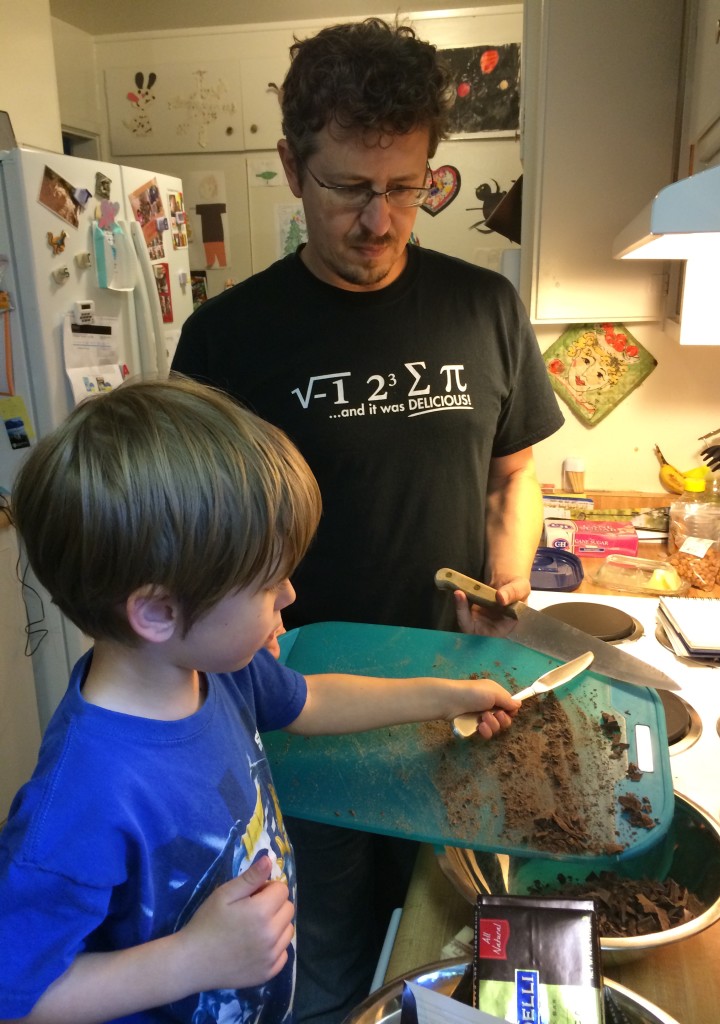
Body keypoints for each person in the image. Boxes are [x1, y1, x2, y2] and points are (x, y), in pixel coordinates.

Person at [171, 17, 564, 1023]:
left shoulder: (485, 307)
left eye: (406, 186)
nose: (381, 221)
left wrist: (507, 577)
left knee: (459, 941)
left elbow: (512, 476)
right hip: (305, 716)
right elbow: (194, 539)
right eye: (350, 187)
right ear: (291, 168)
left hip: (463, 706)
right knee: (326, 965)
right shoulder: (226, 336)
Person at [0, 377, 520, 1024]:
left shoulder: (213, 669)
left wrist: (447, 695)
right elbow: (18, 995)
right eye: (268, 584)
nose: (291, 596)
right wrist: (195, 959)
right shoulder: (83, 799)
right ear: (158, 611)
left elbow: (313, 702)